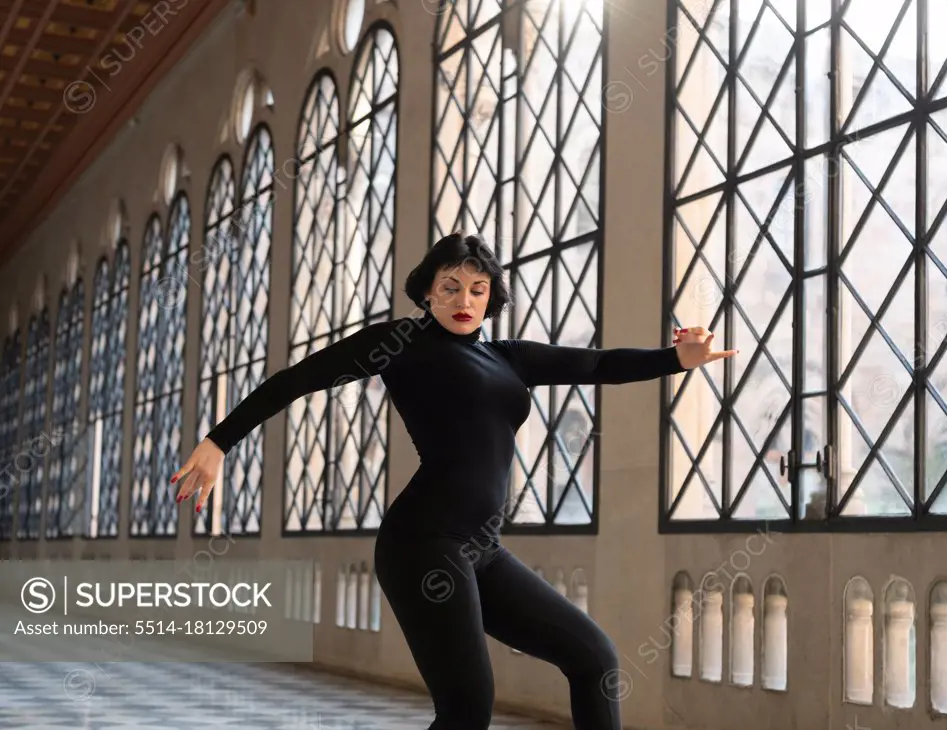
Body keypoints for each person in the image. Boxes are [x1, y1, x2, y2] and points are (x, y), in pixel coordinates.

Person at [171, 232, 738, 729]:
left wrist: (677, 358)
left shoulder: (510, 358)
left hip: (482, 549)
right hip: (422, 544)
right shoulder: (399, 345)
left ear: (491, 299)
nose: (463, 300)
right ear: (426, 291)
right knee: (468, 707)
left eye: (477, 289)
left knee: (595, 658)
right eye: (450, 286)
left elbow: (597, 365)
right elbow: (296, 380)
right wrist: (219, 442)